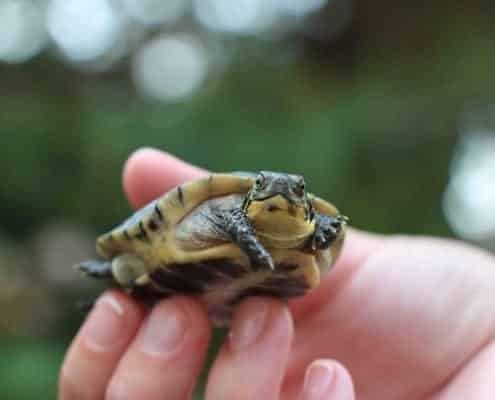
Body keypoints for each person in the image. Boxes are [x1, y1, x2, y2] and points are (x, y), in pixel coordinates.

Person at [58, 148, 495, 400]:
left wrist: (481, 346)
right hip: (179, 254)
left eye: (296, 191)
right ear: (252, 198)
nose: (281, 191)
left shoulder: (316, 228)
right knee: (128, 271)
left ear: (303, 206)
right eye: (266, 186)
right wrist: (245, 239)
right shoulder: (229, 211)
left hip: (247, 295)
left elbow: (329, 227)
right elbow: (226, 219)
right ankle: (123, 273)